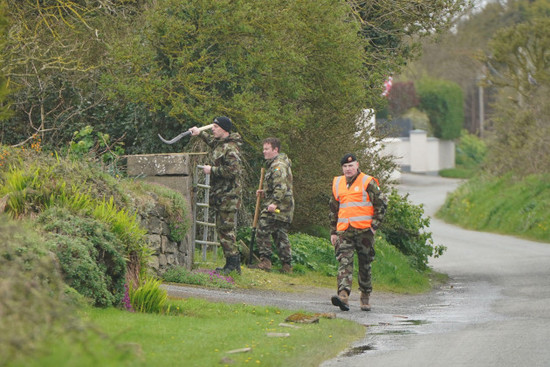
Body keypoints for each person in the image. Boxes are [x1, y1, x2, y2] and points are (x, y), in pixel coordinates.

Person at [329, 153, 386, 311]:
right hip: (344, 231)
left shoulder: (367, 181)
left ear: (357, 165)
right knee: (344, 262)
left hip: (364, 231)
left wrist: (374, 225)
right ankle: (343, 295)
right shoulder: (338, 182)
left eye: (351, 166)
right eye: (345, 166)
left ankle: (365, 295)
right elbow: (333, 209)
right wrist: (333, 231)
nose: (348, 169)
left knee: (365, 264)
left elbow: (381, 204)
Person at [190, 117, 243, 275]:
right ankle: (232, 263)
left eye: (215, 127)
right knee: (222, 230)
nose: (212, 129)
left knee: (226, 230)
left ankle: (233, 264)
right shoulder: (222, 144)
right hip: (222, 196)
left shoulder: (231, 148)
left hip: (229, 197)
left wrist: (211, 170)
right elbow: (212, 142)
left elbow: (234, 171)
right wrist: (199, 133)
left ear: (224, 129)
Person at [250, 137, 295, 273]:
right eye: (263, 149)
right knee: (279, 234)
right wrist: (265, 192)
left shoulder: (278, 166)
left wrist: (274, 203)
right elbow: (278, 186)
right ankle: (287, 265)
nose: (264, 152)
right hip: (285, 206)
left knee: (262, 228)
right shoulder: (277, 164)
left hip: (279, 206)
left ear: (275, 150)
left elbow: (281, 187)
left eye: (267, 149)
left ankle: (265, 261)